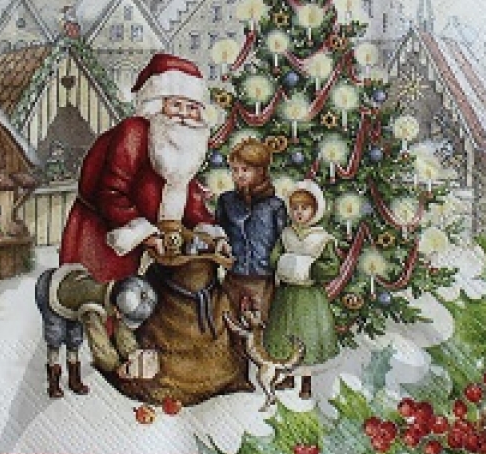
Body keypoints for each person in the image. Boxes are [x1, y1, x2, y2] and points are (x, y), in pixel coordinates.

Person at [59, 52, 228, 283]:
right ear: (158, 105)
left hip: (158, 246)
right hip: (108, 237)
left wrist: (211, 235)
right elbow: (110, 192)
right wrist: (144, 234)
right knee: (116, 297)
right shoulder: (134, 133)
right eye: (176, 105)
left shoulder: (187, 142)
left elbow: (190, 200)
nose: (184, 115)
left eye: (192, 108)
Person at [263, 180, 340, 399]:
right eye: (295, 208)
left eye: (304, 208)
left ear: (315, 210)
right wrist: (283, 262)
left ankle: (306, 382)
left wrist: (311, 268)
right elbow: (274, 257)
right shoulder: (286, 234)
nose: (299, 212)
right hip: (287, 296)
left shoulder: (322, 239)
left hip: (309, 298)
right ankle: (288, 376)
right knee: (286, 334)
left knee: (306, 336)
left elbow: (331, 266)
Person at [35, 263, 158, 399]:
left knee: (74, 339)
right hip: (50, 291)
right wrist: (116, 366)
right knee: (55, 337)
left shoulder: (118, 294)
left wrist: (133, 353)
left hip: (75, 295)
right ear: (117, 311)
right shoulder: (93, 309)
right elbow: (99, 344)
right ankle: (53, 383)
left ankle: (73, 380)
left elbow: (123, 329)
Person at [216, 138, 288, 322]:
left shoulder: (275, 206)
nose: (239, 175)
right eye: (235, 170)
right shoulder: (226, 201)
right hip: (233, 276)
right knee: (228, 321)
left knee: (261, 323)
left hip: (263, 279)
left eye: (245, 170)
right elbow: (219, 231)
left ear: (260, 171)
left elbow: (282, 242)